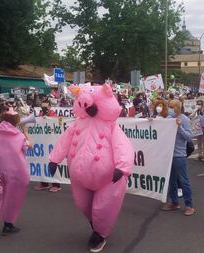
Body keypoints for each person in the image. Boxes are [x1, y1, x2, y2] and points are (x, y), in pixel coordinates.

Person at [49, 84, 134, 252]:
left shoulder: (110, 126)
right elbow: (64, 141)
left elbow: (123, 146)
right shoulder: (77, 124)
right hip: (79, 176)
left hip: (107, 178)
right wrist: (54, 159)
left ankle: (99, 234)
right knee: (84, 205)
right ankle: (97, 226)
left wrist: (122, 167)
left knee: (103, 207)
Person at [0, 107, 30, 237]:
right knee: (13, 196)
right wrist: (26, 131)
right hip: (15, 170)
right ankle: (8, 225)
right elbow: (29, 146)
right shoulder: (19, 136)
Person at [161, 99, 195, 216]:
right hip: (169, 155)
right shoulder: (167, 119)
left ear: (177, 108)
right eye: (168, 106)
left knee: (184, 181)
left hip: (179, 155)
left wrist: (179, 127)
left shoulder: (185, 120)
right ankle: (174, 202)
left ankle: (189, 205)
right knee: (172, 180)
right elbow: (158, 125)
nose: (169, 109)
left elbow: (189, 137)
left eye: (171, 107)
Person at [35, 100, 61, 192]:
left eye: (45, 107)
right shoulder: (40, 114)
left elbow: (56, 125)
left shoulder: (54, 114)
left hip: (52, 141)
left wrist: (47, 118)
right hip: (42, 141)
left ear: (49, 107)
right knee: (41, 161)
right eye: (42, 107)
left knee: (52, 162)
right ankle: (44, 183)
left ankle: (56, 184)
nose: (43, 108)